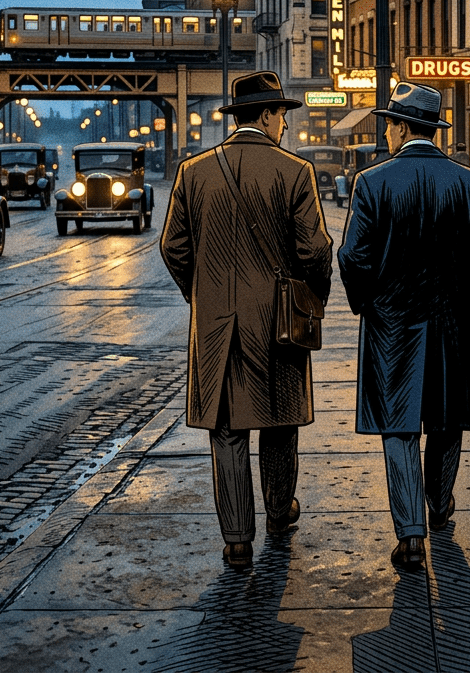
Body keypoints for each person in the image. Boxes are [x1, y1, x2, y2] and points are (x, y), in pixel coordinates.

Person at [161, 71, 332, 571]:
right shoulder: (295, 172)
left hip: (216, 324)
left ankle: (237, 537)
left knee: (227, 429)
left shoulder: (193, 172)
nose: (285, 125)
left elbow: (173, 248)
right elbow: (316, 251)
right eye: (282, 115)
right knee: (279, 423)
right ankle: (279, 512)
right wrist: (311, 299)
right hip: (278, 320)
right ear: (265, 115)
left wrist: (204, 293)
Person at [338, 82, 470, 573]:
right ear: (431, 130)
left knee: (397, 426)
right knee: (446, 416)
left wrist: (367, 302)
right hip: (455, 321)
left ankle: (410, 533)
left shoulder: (372, 183)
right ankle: (440, 501)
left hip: (392, 324)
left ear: (398, 127)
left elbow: (352, 257)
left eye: (388, 125)